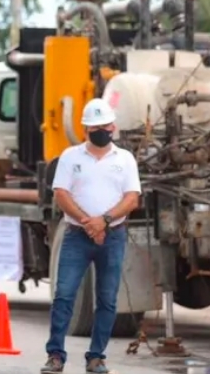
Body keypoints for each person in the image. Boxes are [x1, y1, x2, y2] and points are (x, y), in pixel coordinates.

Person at [41, 98, 141, 374]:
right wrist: (89, 223)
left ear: (113, 127)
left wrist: (104, 222)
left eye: (105, 125)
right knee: (64, 295)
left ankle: (96, 356)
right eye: (95, 126)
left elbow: (131, 198)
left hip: (113, 237)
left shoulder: (125, 159)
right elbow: (61, 193)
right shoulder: (70, 157)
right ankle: (55, 355)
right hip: (77, 235)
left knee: (107, 299)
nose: (101, 130)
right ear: (86, 129)